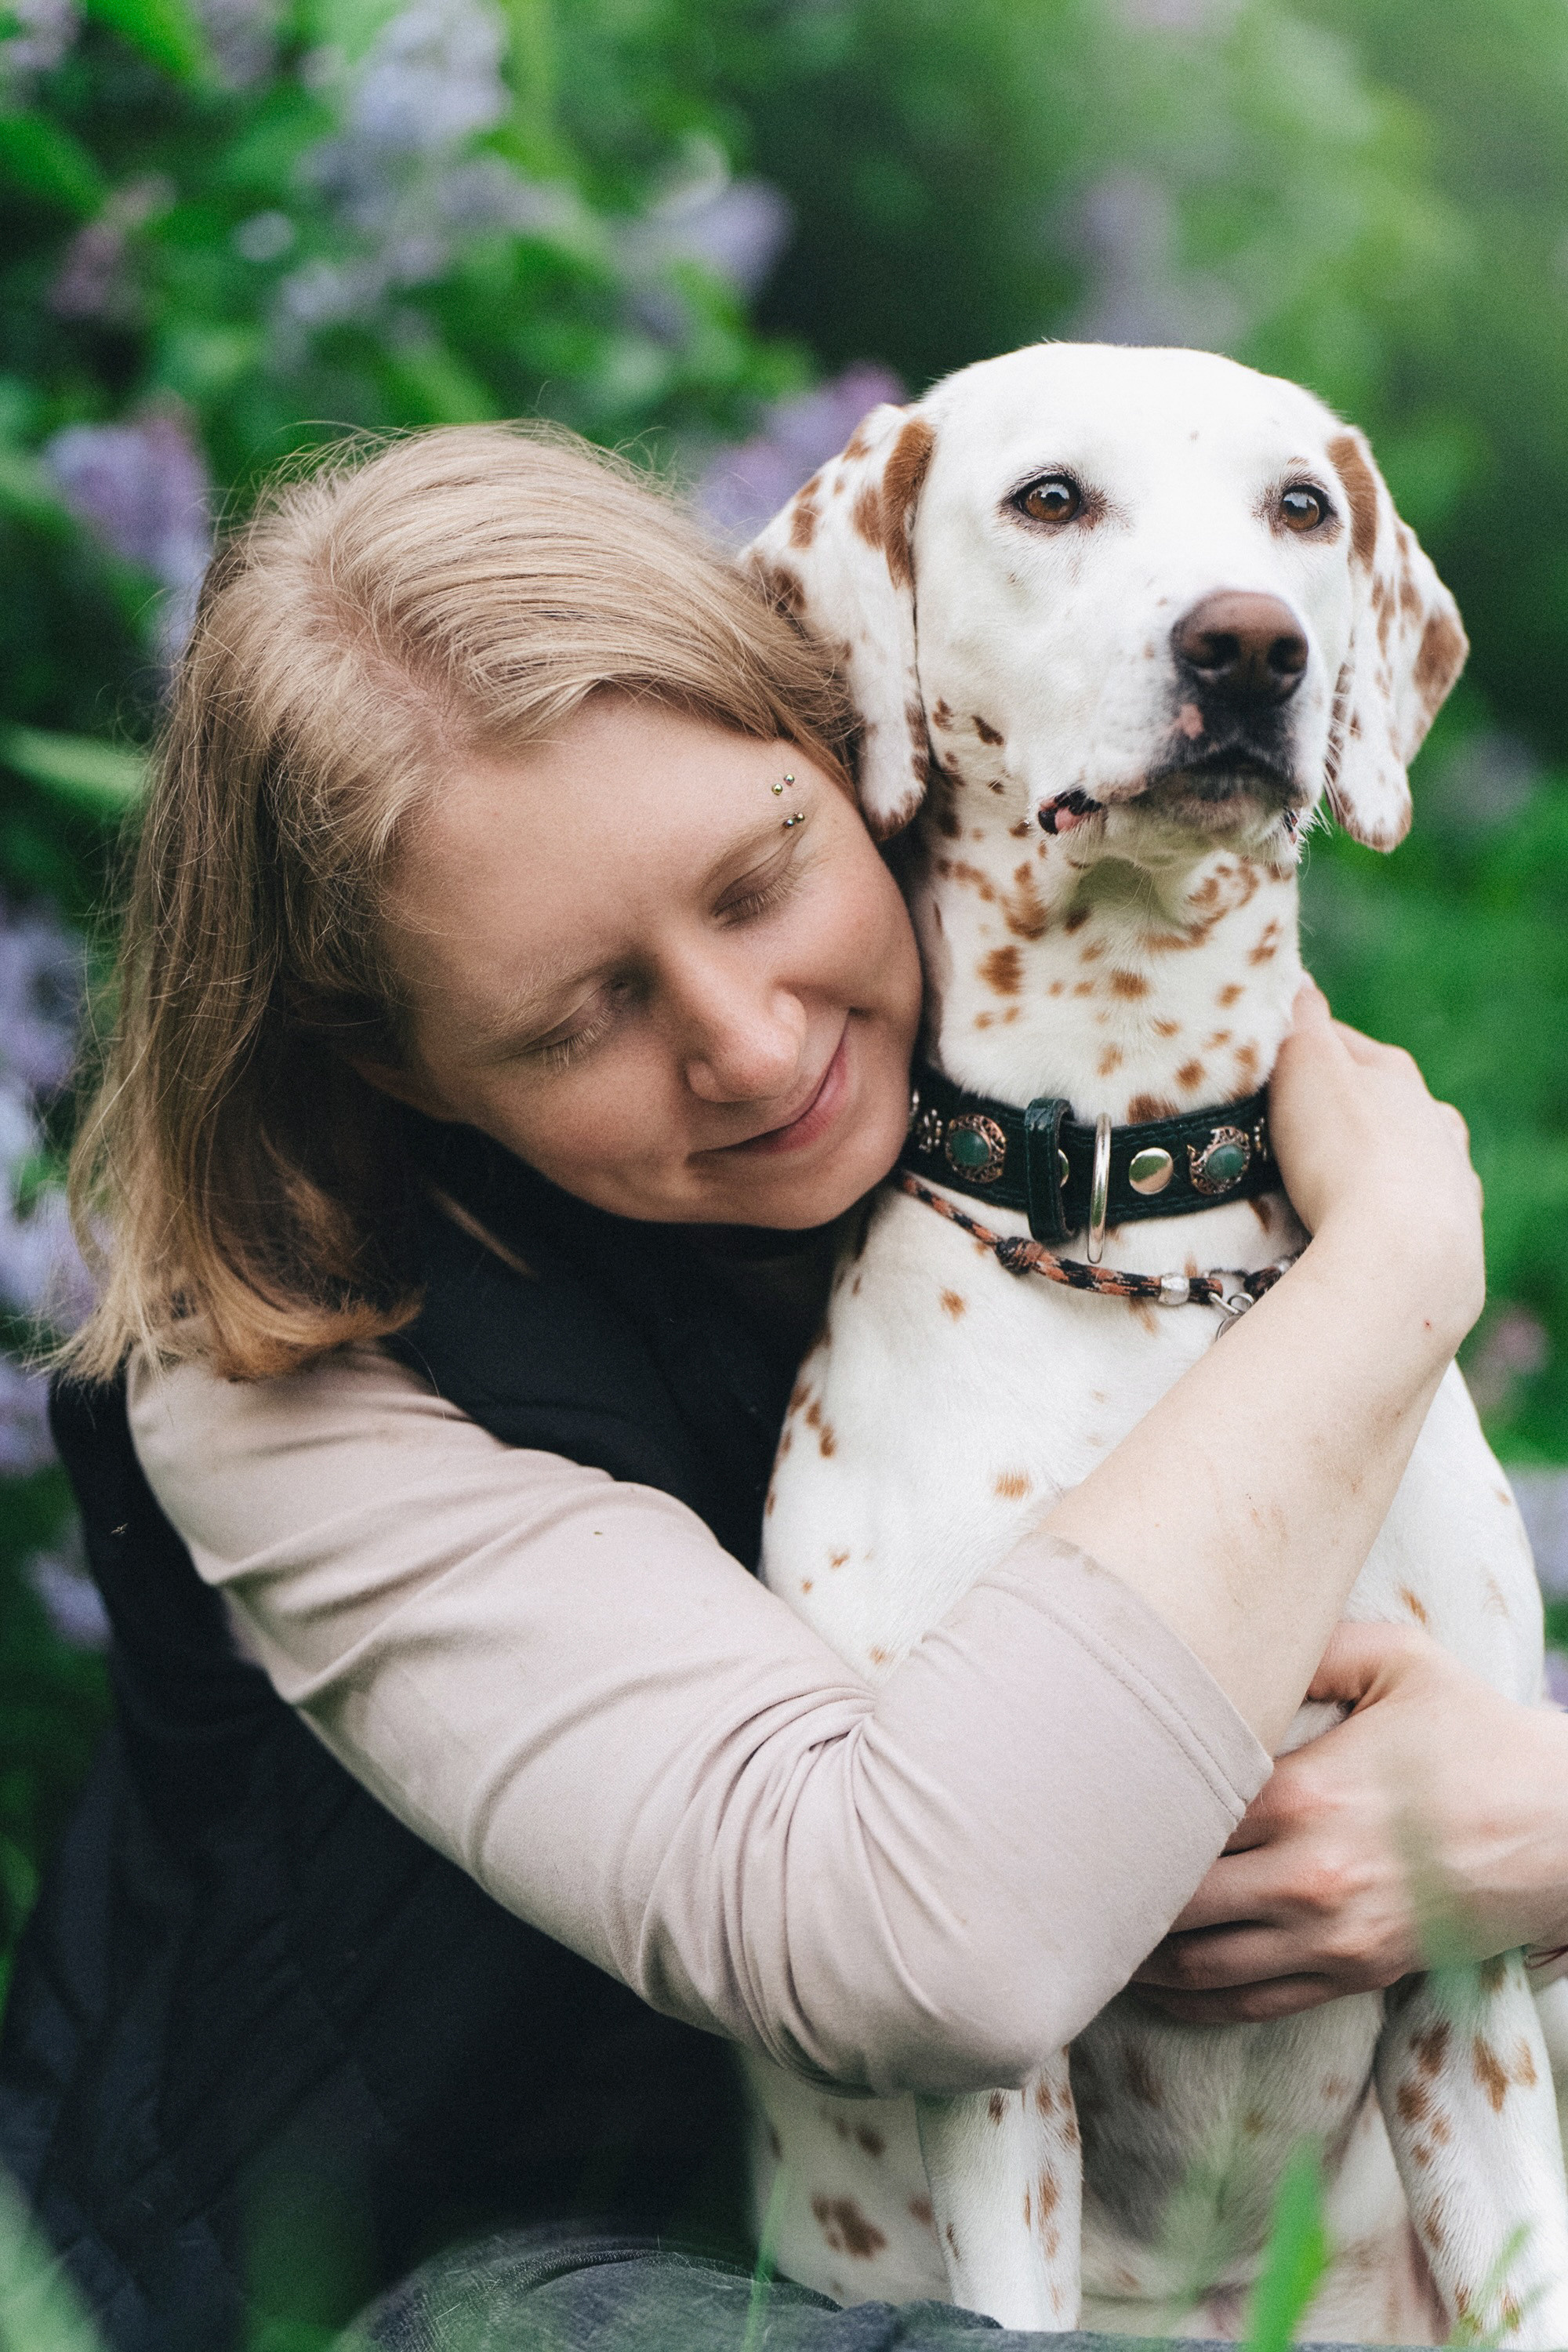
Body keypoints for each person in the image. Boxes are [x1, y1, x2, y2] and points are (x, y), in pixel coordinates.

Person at [0, 419, 1551, 2352]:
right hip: (514, 2254)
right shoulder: (286, 1387)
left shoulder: (1091, 1082)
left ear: (862, 740)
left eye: (758, 883)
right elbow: (931, 1939)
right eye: (582, 1014)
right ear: (394, 1068)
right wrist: (1397, 1269)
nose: (746, 1048)